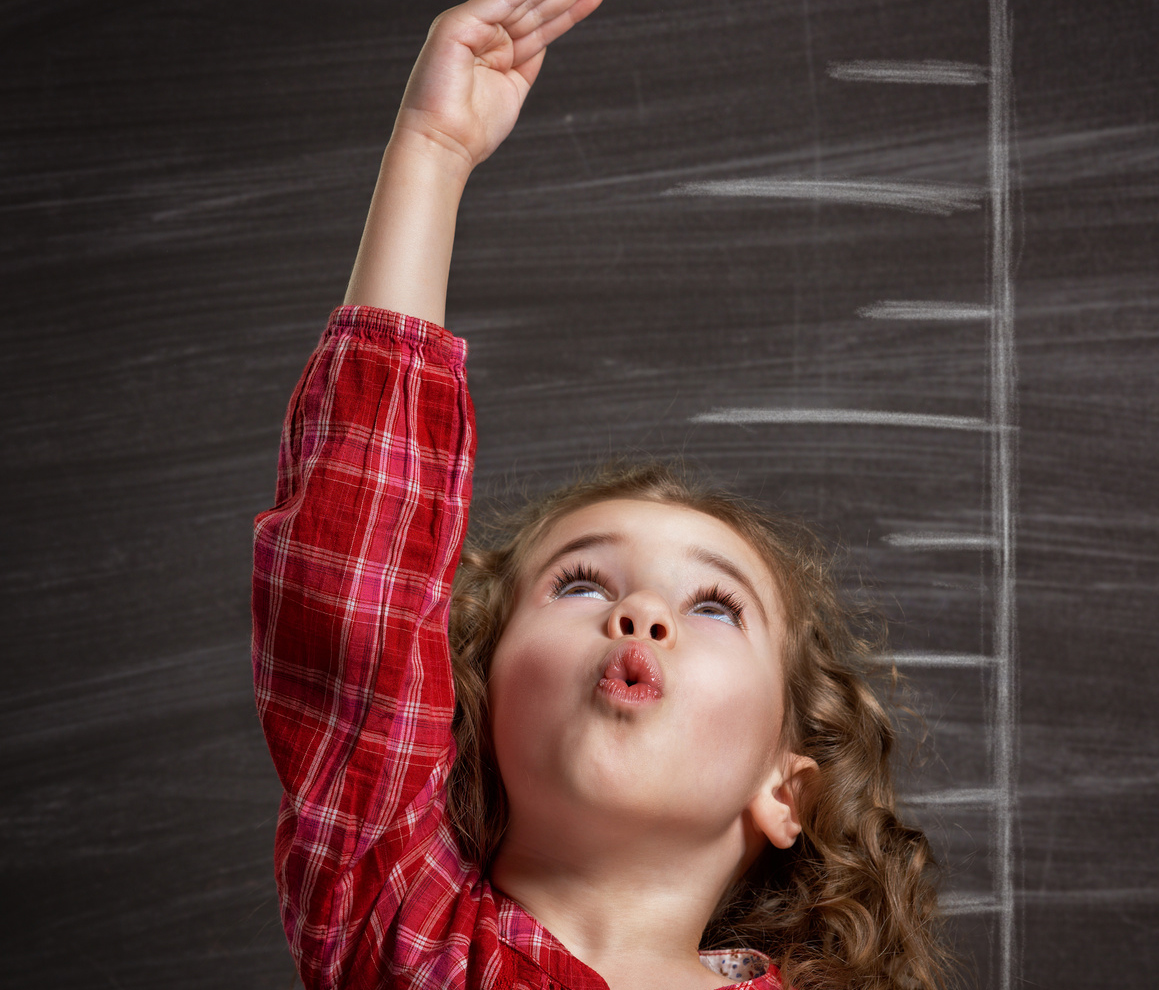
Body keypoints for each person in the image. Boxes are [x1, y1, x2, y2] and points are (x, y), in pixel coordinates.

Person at [251, 2, 951, 988]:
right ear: (475, 711)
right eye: (578, 585)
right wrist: (433, 150)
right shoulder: (405, 929)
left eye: (715, 606)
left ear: (787, 789)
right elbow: (357, 587)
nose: (640, 612)